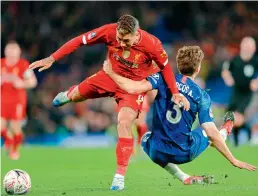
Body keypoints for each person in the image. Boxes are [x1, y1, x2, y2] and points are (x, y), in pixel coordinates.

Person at [28, 14, 190, 190]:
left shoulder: (152, 44)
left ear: (137, 34)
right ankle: (69, 94)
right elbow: (79, 41)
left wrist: (175, 92)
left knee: (124, 122)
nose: (121, 43)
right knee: (76, 96)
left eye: (126, 40)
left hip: (132, 87)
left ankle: (119, 177)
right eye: (119, 38)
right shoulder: (109, 31)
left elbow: (165, 68)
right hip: (109, 76)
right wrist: (52, 58)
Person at [103, 46, 257, 185]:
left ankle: (183, 176)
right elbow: (211, 133)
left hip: (158, 150)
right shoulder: (201, 95)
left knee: (145, 138)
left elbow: (133, 88)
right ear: (197, 69)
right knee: (211, 134)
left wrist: (111, 73)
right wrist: (234, 160)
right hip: (184, 153)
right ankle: (225, 130)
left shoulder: (162, 78)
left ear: (178, 65)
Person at [1, 41, 37, 160]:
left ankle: (14, 151)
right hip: (2, 100)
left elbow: (33, 82)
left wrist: (21, 83)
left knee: (16, 127)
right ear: (5, 51)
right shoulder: (1, 64)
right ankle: (9, 141)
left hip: (17, 101)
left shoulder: (23, 65)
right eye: (9, 50)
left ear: (18, 52)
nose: (11, 53)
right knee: (1, 127)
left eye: (14, 50)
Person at [222, 36, 258, 146]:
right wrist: (228, 78)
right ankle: (236, 139)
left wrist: (256, 82)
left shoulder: (255, 61)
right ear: (242, 46)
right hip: (236, 92)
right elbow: (225, 70)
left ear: (254, 48)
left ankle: (249, 133)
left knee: (239, 117)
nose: (248, 48)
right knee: (229, 116)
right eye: (246, 45)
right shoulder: (235, 60)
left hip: (248, 94)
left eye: (250, 46)